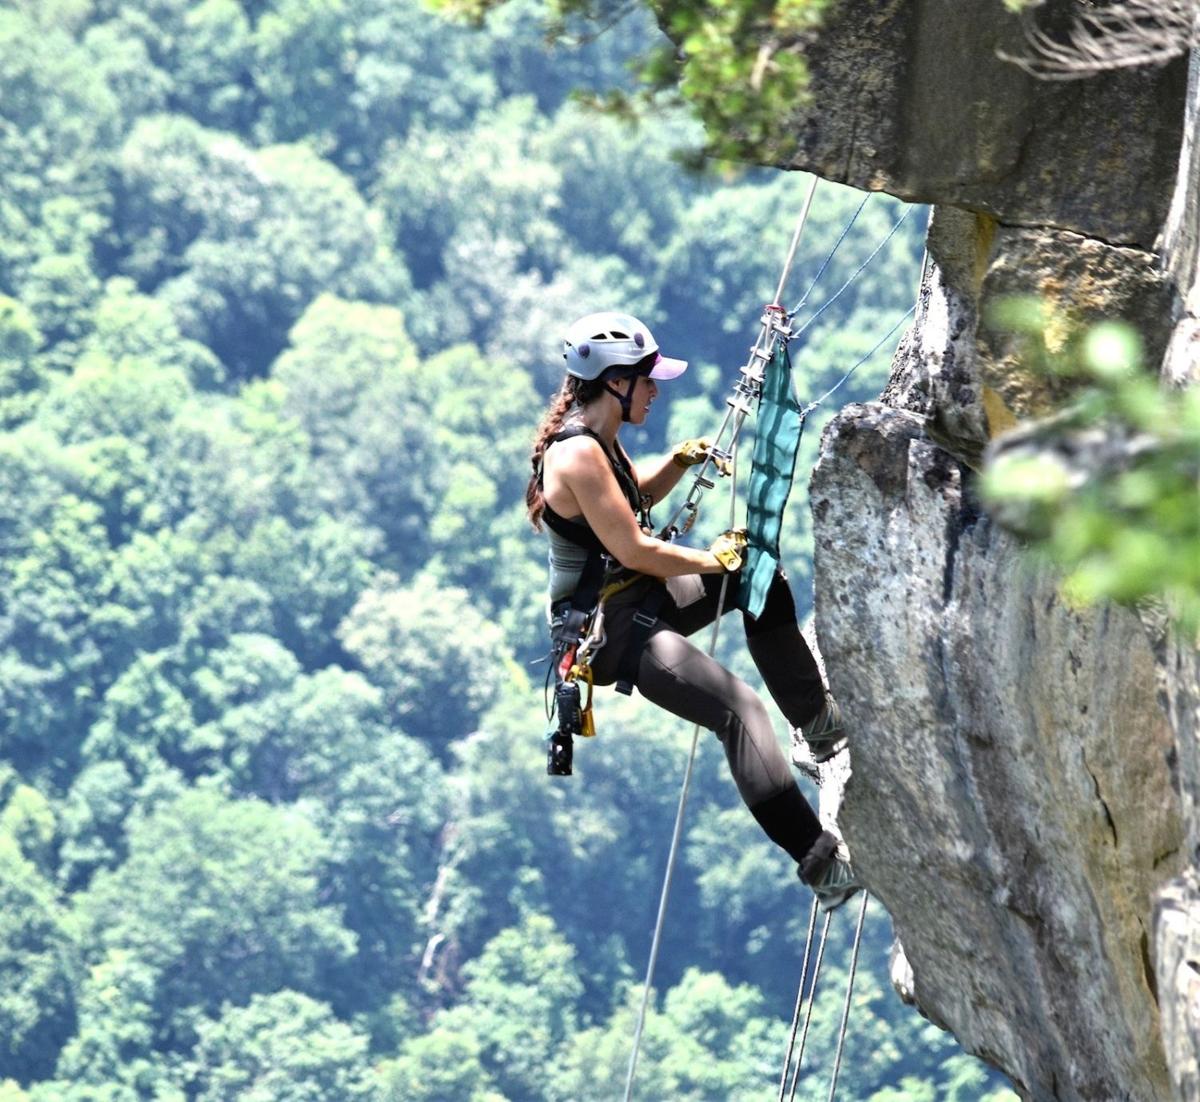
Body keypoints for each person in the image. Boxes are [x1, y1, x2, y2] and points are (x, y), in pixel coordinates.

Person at [526, 311, 862, 911]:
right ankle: (821, 867)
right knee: (739, 711)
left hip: (638, 595)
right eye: (648, 379)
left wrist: (679, 463)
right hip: (618, 633)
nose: (655, 391)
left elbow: (629, 500)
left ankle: (817, 723)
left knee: (758, 573)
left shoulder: (596, 439)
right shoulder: (575, 454)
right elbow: (633, 546)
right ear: (614, 381)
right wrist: (712, 561)